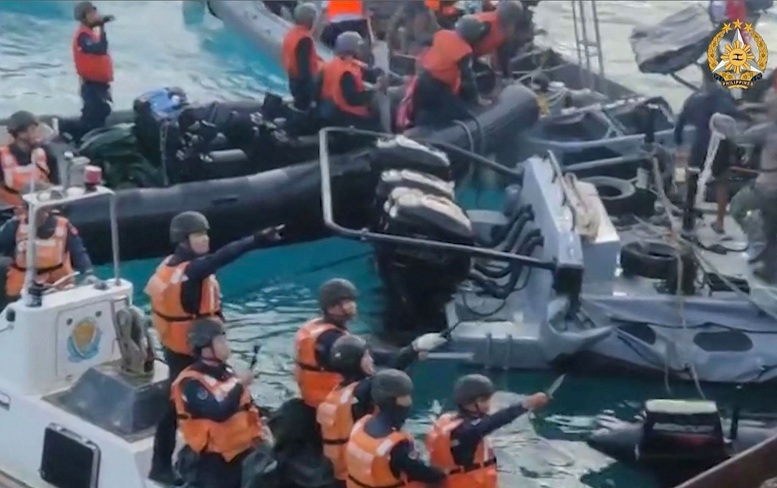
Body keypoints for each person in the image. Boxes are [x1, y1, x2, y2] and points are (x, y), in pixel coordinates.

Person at [145, 211, 282, 484]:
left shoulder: (169, 267)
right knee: (187, 405)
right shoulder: (192, 271)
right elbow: (223, 257)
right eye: (199, 234)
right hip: (191, 350)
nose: (205, 239)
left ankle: (162, 463)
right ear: (184, 241)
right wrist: (256, 240)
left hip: (177, 344)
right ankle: (180, 460)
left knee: (175, 405)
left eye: (206, 233)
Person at [295, 278, 445, 410]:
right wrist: (411, 350)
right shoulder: (332, 340)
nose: (352, 306)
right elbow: (376, 373)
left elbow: (369, 353)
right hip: (333, 401)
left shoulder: (314, 328)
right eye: (346, 302)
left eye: (352, 301)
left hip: (315, 398)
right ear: (331, 307)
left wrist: (412, 349)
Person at [317, 333, 441, 487]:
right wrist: (413, 349)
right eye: (367, 356)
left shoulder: (336, 395)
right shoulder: (362, 391)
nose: (371, 360)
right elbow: (390, 379)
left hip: (347, 470)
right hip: (362, 469)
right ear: (356, 363)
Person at [171, 318, 266, 488]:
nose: (225, 344)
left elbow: (245, 405)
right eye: (220, 341)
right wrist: (240, 384)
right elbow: (218, 412)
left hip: (243, 450)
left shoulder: (226, 371)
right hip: (216, 461)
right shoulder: (192, 383)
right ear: (205, 348)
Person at [426, 374, 550, 488]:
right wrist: (526, 404)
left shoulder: (449, 420)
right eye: (484, 400)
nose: (489, 405)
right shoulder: (466, 432)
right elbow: (494, 421)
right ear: (471, 402)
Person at [345, 369, 447, 487]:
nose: (410, 400)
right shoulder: (396, 445)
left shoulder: (361, 424)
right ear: (395, 401)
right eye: (406, 396)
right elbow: (424, 473)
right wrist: (443, 474)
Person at [0, 181, 94, 302]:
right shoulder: (13, 227)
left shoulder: (64, 226)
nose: (39, 213)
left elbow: (79, 253)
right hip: (22, 294)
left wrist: (88, 273)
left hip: (60, 290)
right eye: (32, 208)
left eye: (43, 208)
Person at [674, 71, 741, 234]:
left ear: (703, 75)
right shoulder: (723, 96)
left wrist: (678, 141)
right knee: (721, 183)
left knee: (692, 180)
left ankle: (687, 222)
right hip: (719, 145)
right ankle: (719, 223)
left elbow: (681, 122)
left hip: (699, 145)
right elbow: (734, 115)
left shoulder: (693, 98)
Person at [411, 15, 488, 127]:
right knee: (462, 114)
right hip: (437, 87)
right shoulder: (464, 51)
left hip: (422, 80)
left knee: (424, 107)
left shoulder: (442, 34)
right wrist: (477, 99)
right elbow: (468, 78)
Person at [317, 31, 388, 131]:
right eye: (359, 47)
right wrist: (374, 91)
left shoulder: (332, 64)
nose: (361, 50)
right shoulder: (346, 71)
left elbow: (369, 72)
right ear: (351, 49)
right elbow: (353, 99)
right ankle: (386, 136)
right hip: (349, 115)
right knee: (378, 118)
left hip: (333, 111)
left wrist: (379, 75)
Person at [72, 1, 115, 135]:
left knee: (101, 113)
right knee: (90, 119)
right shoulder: (83, 35)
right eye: (91, 13)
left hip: (99, 84)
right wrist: (101, 26)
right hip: (91, 85)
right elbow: (100, 49)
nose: (95, 15)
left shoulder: (90, 34)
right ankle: (63, 127)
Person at [0, 111, 54, 207]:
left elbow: (53, 183)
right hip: (11, 213)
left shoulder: (43, 153)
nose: (37, 133)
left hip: (41, 209)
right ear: (20, 133)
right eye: (33, 129)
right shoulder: (2, 157)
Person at [472, 1, 525, 87]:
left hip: (473, 56)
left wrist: (506, 76)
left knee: (488, 76)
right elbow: (465, 42)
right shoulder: (487, 23)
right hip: (462, 56)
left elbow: (503, 53)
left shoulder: (507, 30)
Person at [282, 3, 323, 111]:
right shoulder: (304, 39)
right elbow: (304, 70)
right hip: (302, 87)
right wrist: (313, 94)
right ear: (309, 19)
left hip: (293, 81)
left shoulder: (292, 33)